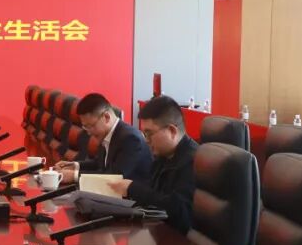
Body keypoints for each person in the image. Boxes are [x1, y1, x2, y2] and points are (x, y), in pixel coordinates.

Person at [108, 95, 198, 234]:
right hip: (159, 233)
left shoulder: (194, 162)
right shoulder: (162, 156)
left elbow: (179, 211)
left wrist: (133, 188)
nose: (147, 140)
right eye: (144, 134)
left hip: (181, 241)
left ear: (172, 131)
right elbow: (153, 194)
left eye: (149, 133)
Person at [54, 93, 151, 184]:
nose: (88, 132)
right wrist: (75, 166)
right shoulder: (107, 133)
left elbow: (115, 177)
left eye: (91, 126)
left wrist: (74, 176)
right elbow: (100, 164)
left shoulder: (130, 139)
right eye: (85, 127)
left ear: (106, 117)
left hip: (131, 195)